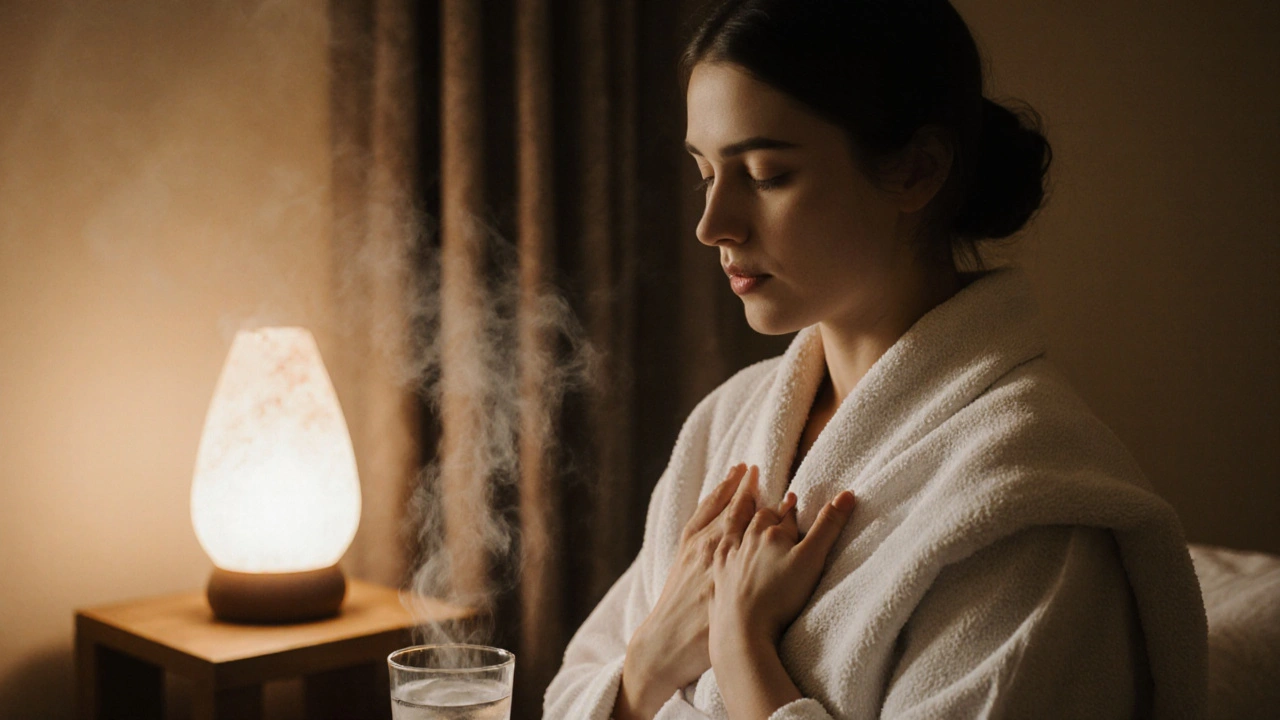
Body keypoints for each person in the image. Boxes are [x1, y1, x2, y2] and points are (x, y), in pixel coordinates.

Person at [544, 1, 1207, 718]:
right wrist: (647, 666)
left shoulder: (1027, 506)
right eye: (705, 172)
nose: (713, 225)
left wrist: (742, 650)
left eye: (765, 174)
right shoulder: (728, 420)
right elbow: (571, 692)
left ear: (916, 172)